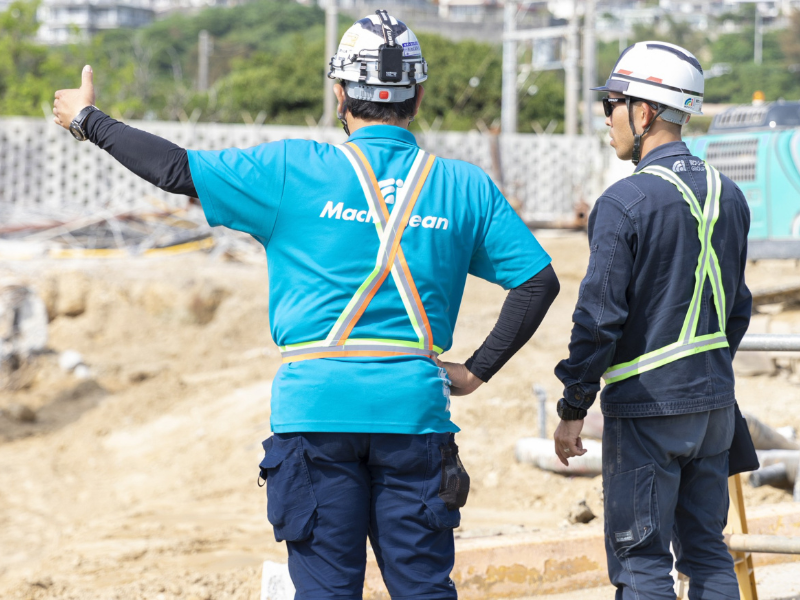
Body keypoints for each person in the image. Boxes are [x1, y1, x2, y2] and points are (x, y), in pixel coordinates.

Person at [53, 11, 559, 598]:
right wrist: (475, 371)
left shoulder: (293, 169)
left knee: (324, 589)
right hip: (414, 412)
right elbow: (537, 282)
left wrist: (87, 120)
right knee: (423, 588)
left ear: (340, 93)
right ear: (416, 97)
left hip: (315, 413)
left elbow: (174, 169)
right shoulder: (463, 186)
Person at [553, 42, 752, 599]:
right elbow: (738, 307)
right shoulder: (728, 194)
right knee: (708, 551)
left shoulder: (625, 201)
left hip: (648, 409)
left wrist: (573, 406)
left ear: (643, 112)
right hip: (714, 406)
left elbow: (597, 321)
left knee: (641, 561)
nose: (606, 119)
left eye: (610, 105)